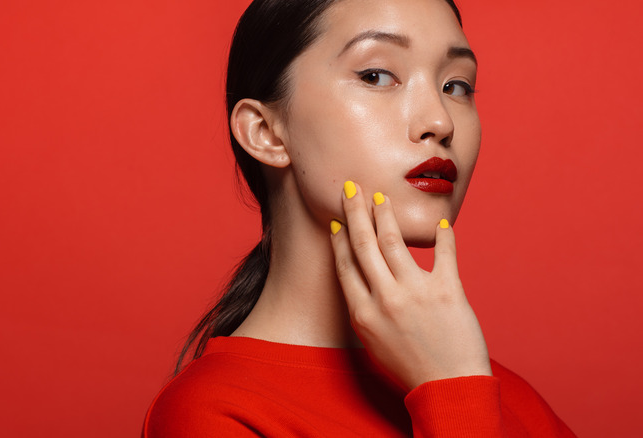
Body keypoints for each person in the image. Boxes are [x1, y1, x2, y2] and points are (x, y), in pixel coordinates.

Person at [143, 0, 576, 436]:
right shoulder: (213, 414)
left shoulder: (498, 393)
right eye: (376, 76)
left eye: (456, 86)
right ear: (266, 132)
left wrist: (456, 384)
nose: (439, 122)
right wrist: (452, 396)